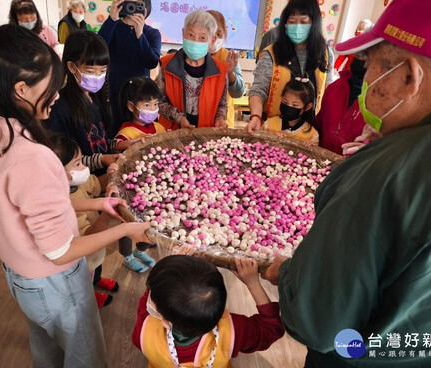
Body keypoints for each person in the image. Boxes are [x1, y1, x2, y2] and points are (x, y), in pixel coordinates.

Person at [262, 0, 431, 366]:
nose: (364, 75)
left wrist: (288, 275)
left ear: (410, 77)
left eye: (369, 62)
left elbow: (320, 324)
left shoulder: (383, 175)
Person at [0, 23, 151, 367]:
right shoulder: (32, 156)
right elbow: (60, 251)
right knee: (84, 356)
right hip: (54, 283)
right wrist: (125, 230)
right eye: (52, 87)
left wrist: (96, 203)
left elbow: (27, 209)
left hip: (22, 277)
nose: (59, 95)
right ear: (21, 89)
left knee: (46, 346)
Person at [133, 246, 285, 366]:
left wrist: (169, 266)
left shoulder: (144, 331)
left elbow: (150, 296)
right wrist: (253, 284)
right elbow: (271, 329)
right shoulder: (233, 330)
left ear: (165, 320)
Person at [49, 135, 121, 307]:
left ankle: (95, 280)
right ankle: (88, 296)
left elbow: (96, 183)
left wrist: (111, 175)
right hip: (83, 254)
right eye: (77, 164)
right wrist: (106, 214)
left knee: (96, 267)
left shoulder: (77, 183)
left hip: (94, 253)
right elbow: (89, 235)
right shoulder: (64, 205)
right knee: (83, 279)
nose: (84, 167)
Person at [248, 0, 333, 134]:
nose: (298, 27)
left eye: (304, 22)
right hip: (273, 128)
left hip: (310, 133)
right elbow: (259, 89)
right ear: (285, 23)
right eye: (292, 22)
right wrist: (255, 116)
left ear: (315, 23)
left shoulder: (325, 54)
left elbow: (328, 92)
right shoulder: (271, 53)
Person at [45, 30, 122, 188]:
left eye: (102, 71)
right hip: (84, 188)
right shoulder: (60, 109)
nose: (97, 77)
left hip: (107, 177)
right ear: (72, 67)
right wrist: (101, 159)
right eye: (90, 72)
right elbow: (64, 160)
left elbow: (102, 141)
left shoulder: (97, 99)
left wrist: (120, 145)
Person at [98, 0, 161, 135]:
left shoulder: (152, 33)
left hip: (141, 98)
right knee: (116, 135)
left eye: (138, 0)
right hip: (114, 92)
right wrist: (112, 19)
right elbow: (98, 50)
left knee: (144, 137)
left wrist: (140, 34)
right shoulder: (112, 27)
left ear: (146, 4)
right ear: (119, 0)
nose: (132, 3)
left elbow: (152, 62)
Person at [115, 76, 163, 272]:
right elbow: (118, 145)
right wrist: (133, 143)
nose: (152, 109)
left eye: (155, 104)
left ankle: (140, 250)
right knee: (128, 222)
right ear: (131, 106)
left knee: (149, 223)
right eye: (146, 104)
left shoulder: (159, 127)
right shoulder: (128, 131)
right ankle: (126, 255)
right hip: (131, 189)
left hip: (154, 186)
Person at [157, 10, 228, 130]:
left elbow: (222, 105)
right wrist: (179, 118)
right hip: (171, 135)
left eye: (202, 37)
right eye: (190, 35)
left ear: (213, 40)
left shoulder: (220, 70)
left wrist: (220, 118)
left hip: (205, 135)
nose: (195, 41)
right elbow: (159, 102)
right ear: (183, 33)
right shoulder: (167, 65)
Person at [314, 50, 367, 154]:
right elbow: (319, 124)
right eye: (358, 55)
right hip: (321, 158)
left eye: (367, 57)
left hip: (352, 164)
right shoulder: (334, 87)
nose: (361, 59)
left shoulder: (381, 100)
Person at [206, 10, 246, 128]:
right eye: (211, 33)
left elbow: (238, 92)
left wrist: (230, 73)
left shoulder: (228, 57)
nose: (215, 38)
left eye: (219, 34)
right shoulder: (192, 55)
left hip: (222, 122)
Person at [263, 77, 318, 143]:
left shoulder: (312, 135)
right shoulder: (269, 124)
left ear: (307, 107)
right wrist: (271, 139)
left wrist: (310, 147)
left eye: (295, 105)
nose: (288, 107)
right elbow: (258, 141)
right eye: (285, 102)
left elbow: (314, 152)